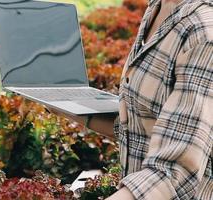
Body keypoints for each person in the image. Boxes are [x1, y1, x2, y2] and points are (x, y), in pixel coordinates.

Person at [50, 0, 213, 199]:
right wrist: (60, 101)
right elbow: (137, 129)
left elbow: (174, 174)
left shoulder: (203, 31)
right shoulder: (158, 7)